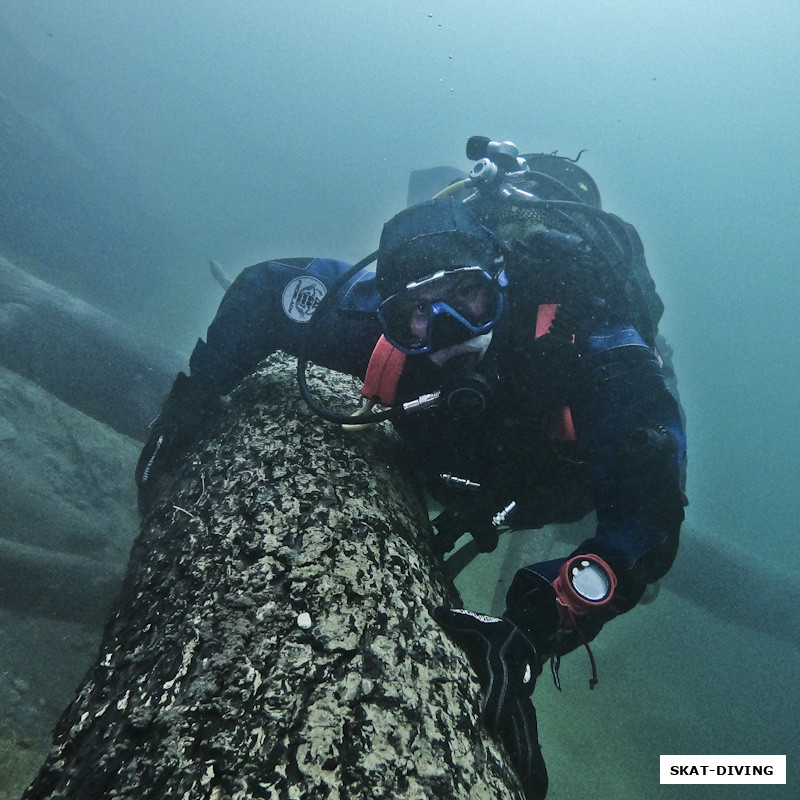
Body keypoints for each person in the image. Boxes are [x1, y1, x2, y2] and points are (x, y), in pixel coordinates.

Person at [136, 137, 687, 799]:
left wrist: (534, 631)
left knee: (636, 561)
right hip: (463, 460)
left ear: (502, 279)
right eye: (416, 313)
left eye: (468, 297)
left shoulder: (587, 342)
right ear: (387, 312)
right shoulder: (377, 324)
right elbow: (269, 290)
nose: (447, 328)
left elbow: (651, 513)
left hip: (557, 477)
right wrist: (192, 399)